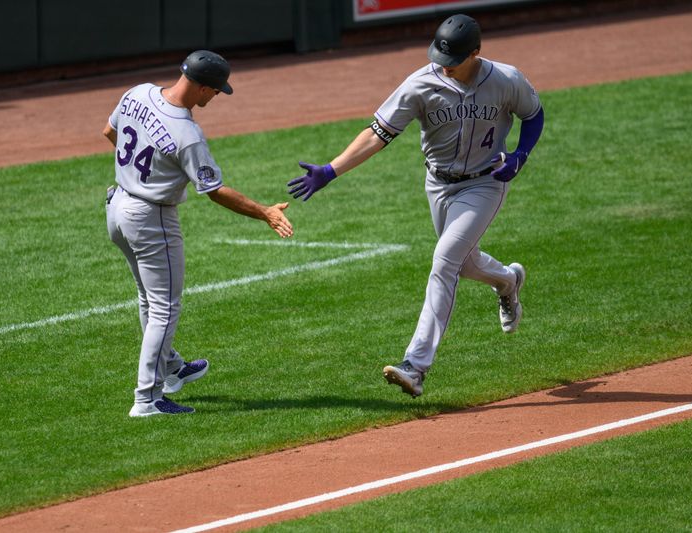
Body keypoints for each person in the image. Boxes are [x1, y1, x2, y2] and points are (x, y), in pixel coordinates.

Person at [287, 15, 543, 398]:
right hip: (438, 184)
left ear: (476, 51)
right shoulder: (419, 84)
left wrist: (520, 155)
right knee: (464, 262)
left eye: (454, 56)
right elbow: (377, 135)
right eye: (440, 54)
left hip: (484, 184)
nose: (444, 63)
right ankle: (508, 281)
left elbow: (534, 115)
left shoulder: (506, 80)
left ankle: (416, 365)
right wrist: (330, 170)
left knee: (444, 261)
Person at [104, 50, 294, 417]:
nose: (217, 97)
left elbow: (109, 131)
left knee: (148, 300)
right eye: (216, 91)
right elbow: (214, 191)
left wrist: (147, 170)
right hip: (150, 218)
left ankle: (172, 368)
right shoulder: (187, 133)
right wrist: (265, 213)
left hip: (117, 209)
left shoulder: (137, 93)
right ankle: (147, 399)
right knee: (164, 308)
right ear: (203, 88)